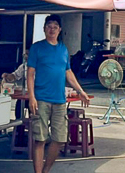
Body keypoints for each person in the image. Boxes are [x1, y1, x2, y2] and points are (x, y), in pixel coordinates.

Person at [27, 15, 90, 173]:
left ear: (60, 29)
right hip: (41, 99)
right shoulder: (37, 48)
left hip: (59, 100)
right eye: (49, 25)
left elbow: (68, 72)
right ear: (44, 29)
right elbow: (30, 74)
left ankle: (46, 170)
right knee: (40, 138)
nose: (52, 28)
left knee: (59, 138)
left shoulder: (63, 49)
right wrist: (32, 97)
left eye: (55, 26)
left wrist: (80, 91)